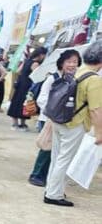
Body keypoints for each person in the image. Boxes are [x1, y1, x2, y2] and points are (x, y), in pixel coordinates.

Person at [43, 41, 102, 206]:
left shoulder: (78, 71)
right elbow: (96, 110)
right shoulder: (94, 80)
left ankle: (52, 189)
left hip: (60, 119)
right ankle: (53, 195)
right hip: (75, 123)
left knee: (57, 157)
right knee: (65, 159)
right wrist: (100, 133)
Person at [28, 50, 81, 187]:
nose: (72, 65)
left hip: (66, 120)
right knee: (47, 148)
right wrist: (55, 110)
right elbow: (42, 99)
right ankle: (37, 175)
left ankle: (51, 177)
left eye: (75, 62)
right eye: (69, 61)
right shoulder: (53, 78)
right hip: (49, 119)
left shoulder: (76, 79)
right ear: (62, 63)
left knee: (59, 151)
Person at [8, 46, 48, 131]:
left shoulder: (26, 61)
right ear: (41, 55)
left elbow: (18, 71)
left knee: (16, 102)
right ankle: (22, 124)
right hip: (28, 85)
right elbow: (37, 75)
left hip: (20, 84)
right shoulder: (35, 64)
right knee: (25, 104)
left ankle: (15, 124)